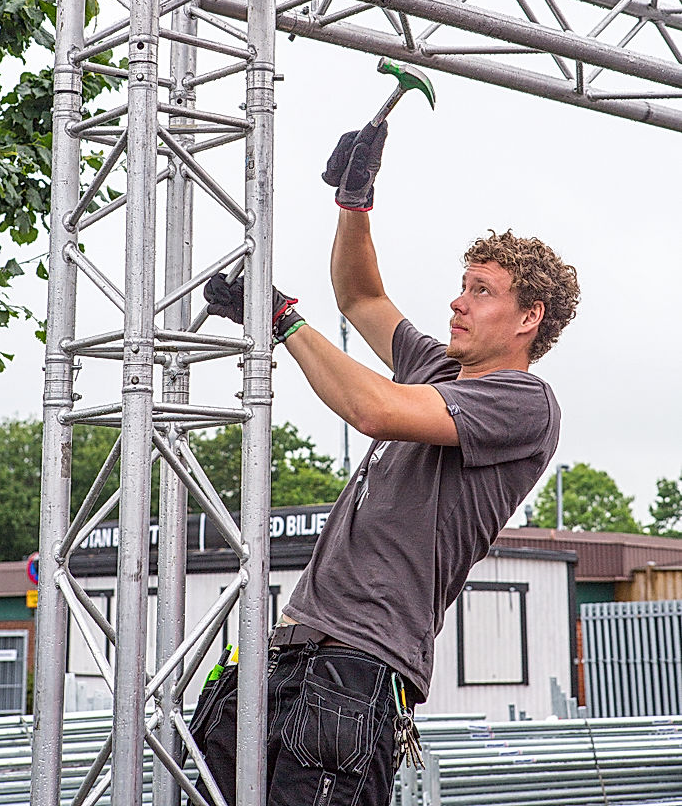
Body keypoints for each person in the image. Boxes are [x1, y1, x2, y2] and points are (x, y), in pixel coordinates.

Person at [195, 122, 580, 806]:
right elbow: (361, 298)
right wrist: (354, 201)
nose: (457, 301)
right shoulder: (438, 367)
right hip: (294, 648)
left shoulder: (523, 403)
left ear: (528, 318)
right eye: (462, 284)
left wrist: (281, 318)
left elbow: (372, 410)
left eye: (481, 291)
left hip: (354, 666)